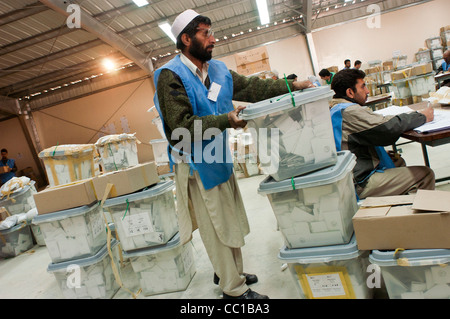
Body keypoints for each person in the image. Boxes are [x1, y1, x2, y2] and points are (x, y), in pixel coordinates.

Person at [153, 9, 313, 300]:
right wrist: (227, 120)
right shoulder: (170, 76)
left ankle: (228, 271)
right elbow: (180, 128)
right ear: (186, 39)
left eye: (212, 33)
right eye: (205, 34)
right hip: (194, 165)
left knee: (228, 218)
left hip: (217, 157)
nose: (213, 39)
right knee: (216, 224)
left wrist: (293, 85)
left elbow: (253, 86)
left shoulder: (217, 70)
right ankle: (234, 290)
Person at [329, 69, 435, 199]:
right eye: (363, 87)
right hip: (360, 182)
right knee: (424, 174)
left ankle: (401, 208)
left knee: (397, 161)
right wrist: (421, 116)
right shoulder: (349, 111)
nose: (367, 91)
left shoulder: (335, 108)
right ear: (350, 92)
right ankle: (418, 216)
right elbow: (387, 127)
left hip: (353, 170)